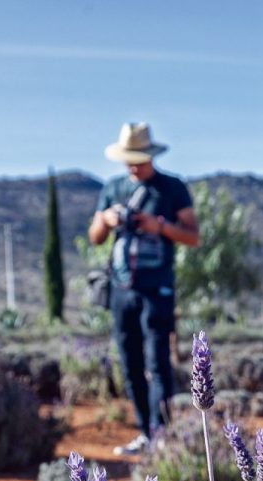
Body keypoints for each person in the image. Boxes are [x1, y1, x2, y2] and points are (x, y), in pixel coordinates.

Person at [88, 122, 200, 455]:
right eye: (128, 159)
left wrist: (160, 226)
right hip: (122, 288)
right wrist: (106, 221)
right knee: (130, 362)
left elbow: (193, 236)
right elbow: (95, 237)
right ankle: (144, 432)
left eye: (138, 158)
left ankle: (161, 434)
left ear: (151, 155)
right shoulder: (113, 188)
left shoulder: (171, 188)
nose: (132, 165)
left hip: (157, 288)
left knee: (158, 362)